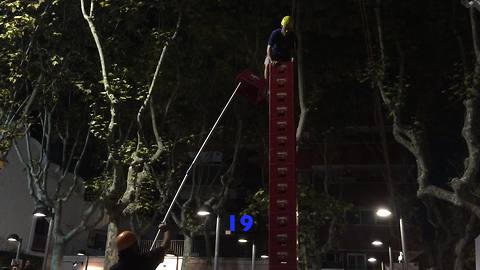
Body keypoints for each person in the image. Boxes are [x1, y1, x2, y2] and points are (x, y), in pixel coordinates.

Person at [264, 15, 296, 80]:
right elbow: (269, 48)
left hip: (285, 57)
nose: (287, 30)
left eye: (289, 28)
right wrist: (271, 60)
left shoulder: (292, 36)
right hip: (274, 56)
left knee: (293, 67)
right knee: (267, 64)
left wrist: (292, 58)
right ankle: (266, 85)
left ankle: (289, 87)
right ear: (282, 26)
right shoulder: (275, 33)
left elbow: (293, 50)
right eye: (286, 27)